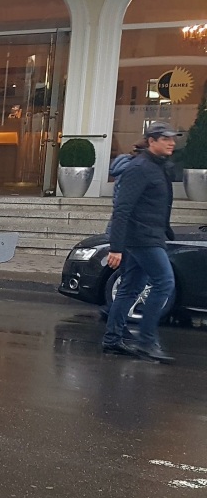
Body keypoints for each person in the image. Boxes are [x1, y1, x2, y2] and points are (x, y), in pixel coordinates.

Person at [102, 122, 179, 363]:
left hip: (150, 235)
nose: (172, 142)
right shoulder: (140, 168)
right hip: (142, 238)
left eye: (173, 138)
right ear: (151, 141)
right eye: (165, 138)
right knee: (164, 283)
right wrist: (116, 247)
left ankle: (112, 340)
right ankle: (146, 341)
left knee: (129, 289)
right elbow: (123, 208)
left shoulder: (158, 167)